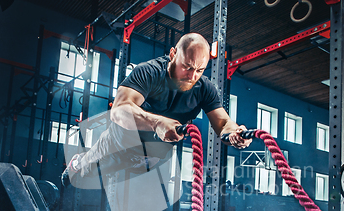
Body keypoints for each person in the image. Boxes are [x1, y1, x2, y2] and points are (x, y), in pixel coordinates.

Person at [62, 32, 252, 187]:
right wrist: (156, 122)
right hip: (120, 143)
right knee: (94, 168)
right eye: (187, 67)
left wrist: (235, 133)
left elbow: (223, 122)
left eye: (200, 70)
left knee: (133, 176)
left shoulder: (205, 88)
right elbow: (119, 110)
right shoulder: (148, 72)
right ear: (172, 54)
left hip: (150, 155)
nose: (192, 76)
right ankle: (78, 162)